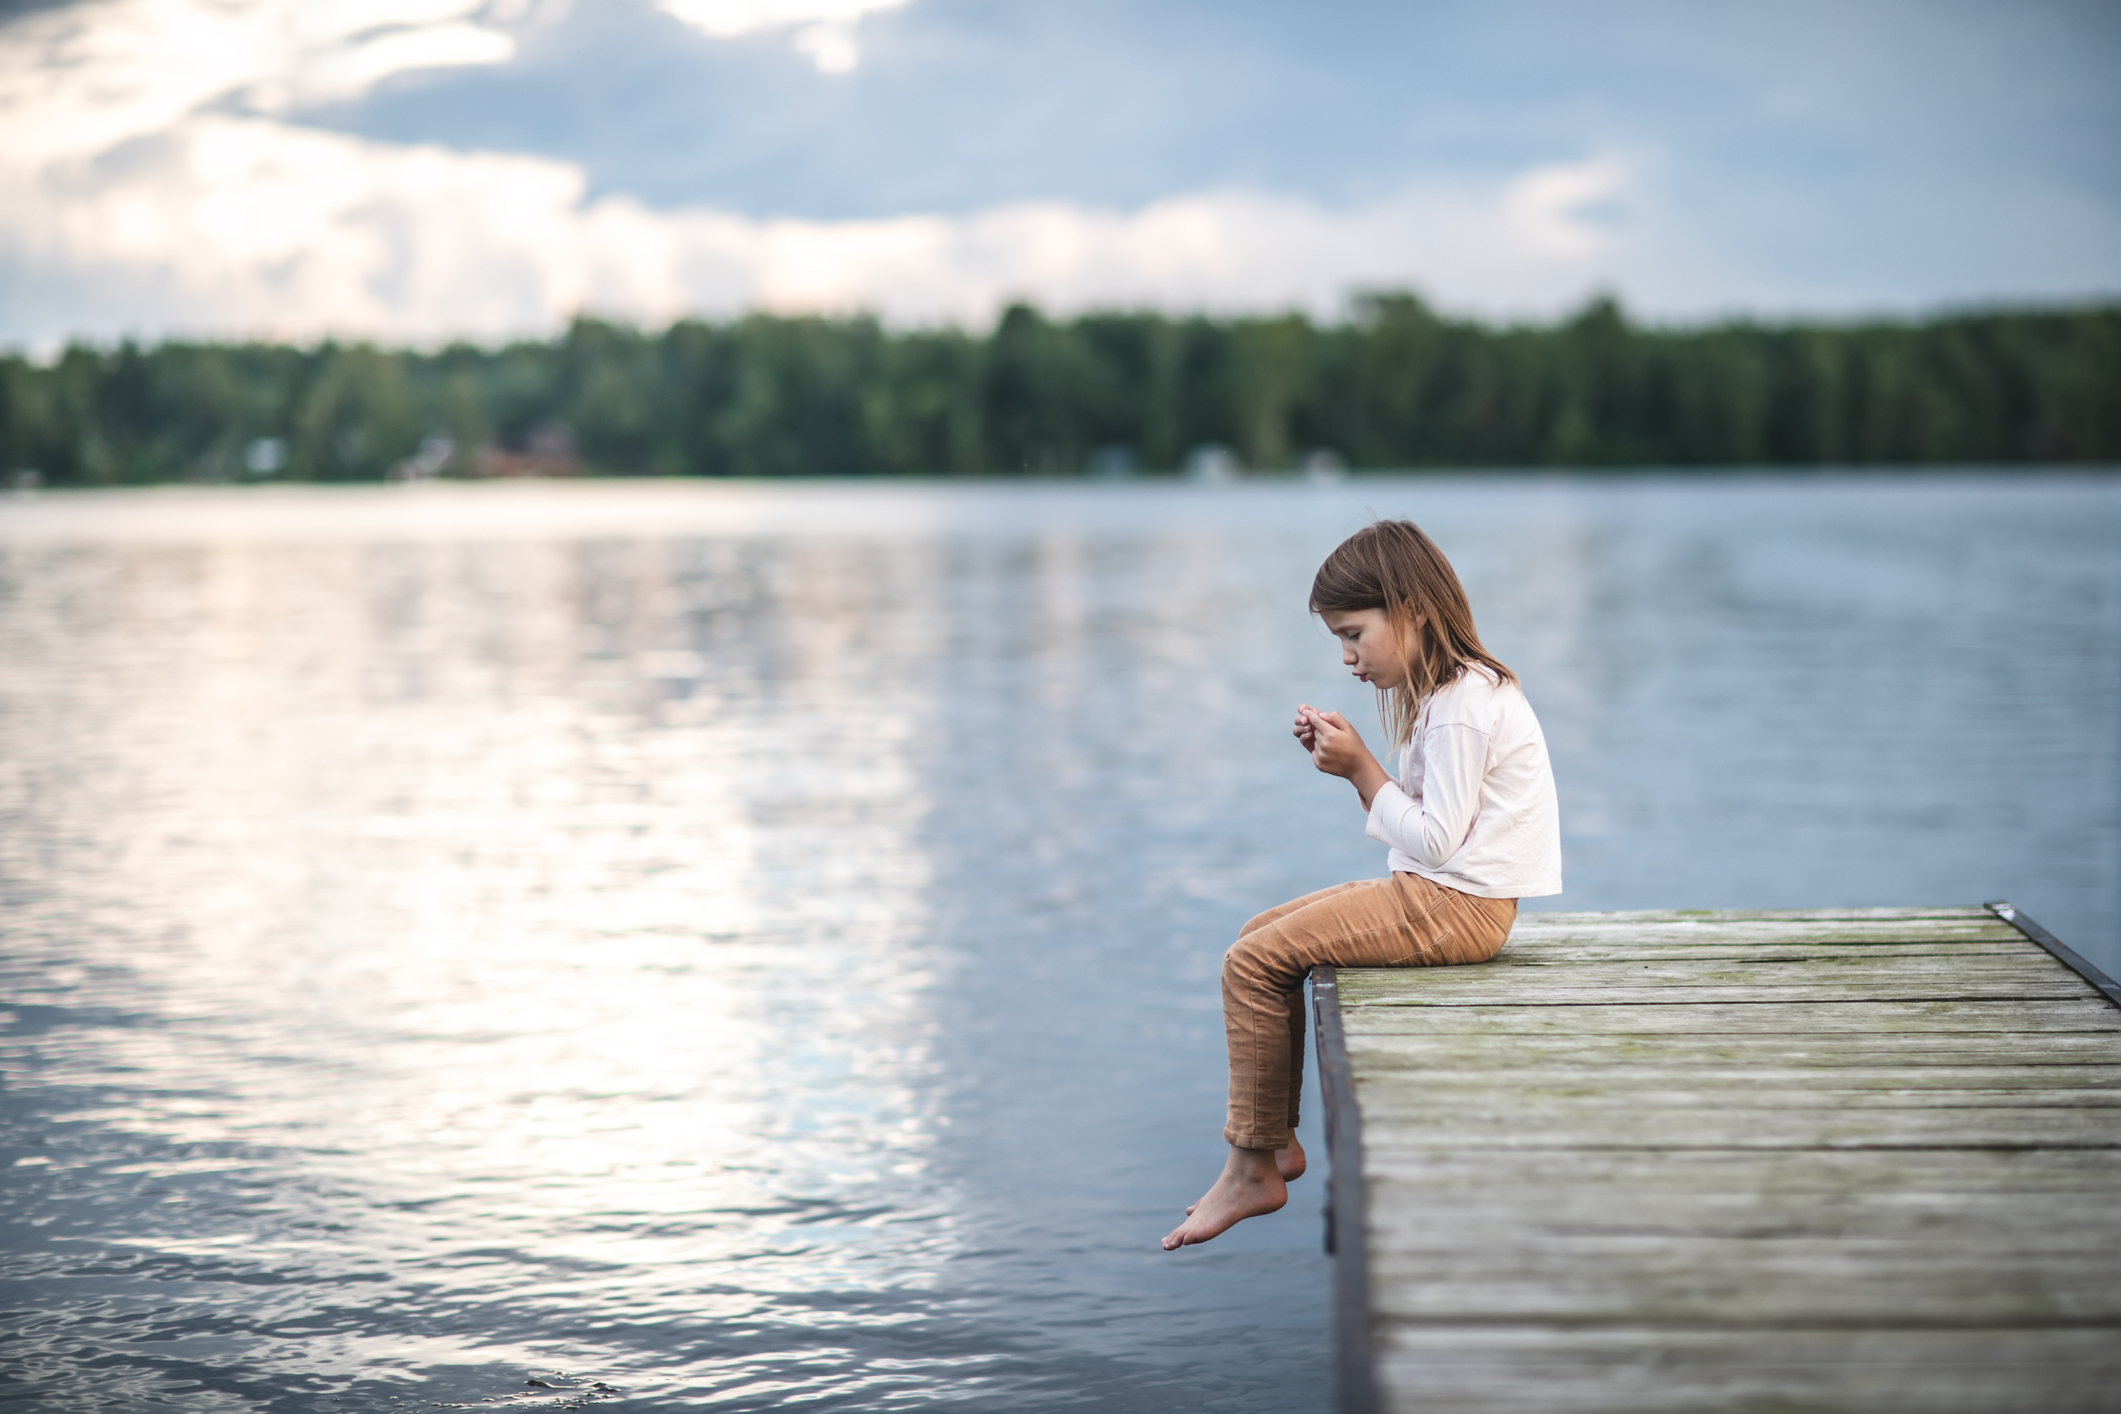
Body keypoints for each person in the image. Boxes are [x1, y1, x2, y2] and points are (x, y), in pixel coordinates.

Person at [1162, 519, 1561, 1250]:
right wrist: (1356, 769)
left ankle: (1252, 1164)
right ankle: (1271, 1141)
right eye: (1338, 640)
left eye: (1353, 633)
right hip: (1447, 897)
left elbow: (1438, 843)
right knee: (1259, 935)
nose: (1347, 656)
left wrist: (1360, 770)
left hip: (1455, 908)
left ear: (1409, 609)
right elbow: (1431, 832)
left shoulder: (1461, 710)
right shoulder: (1454, 695)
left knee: (1249, 964)